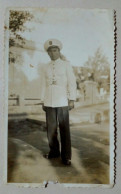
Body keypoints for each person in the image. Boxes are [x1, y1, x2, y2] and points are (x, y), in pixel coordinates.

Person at [40, 39, 77, 165]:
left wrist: (72, 99)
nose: (52, 53)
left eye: (55, 51)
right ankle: (54, 152)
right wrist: (42, 100)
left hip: (62, 100)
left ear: (59, 51)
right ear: (48, 53)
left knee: (64, 129)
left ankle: (66, 156)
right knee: (51, 129)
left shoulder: (66, 64)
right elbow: (43, 84)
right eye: (50, 52)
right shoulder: (46, 67)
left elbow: (72, 82)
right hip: (49, 101)